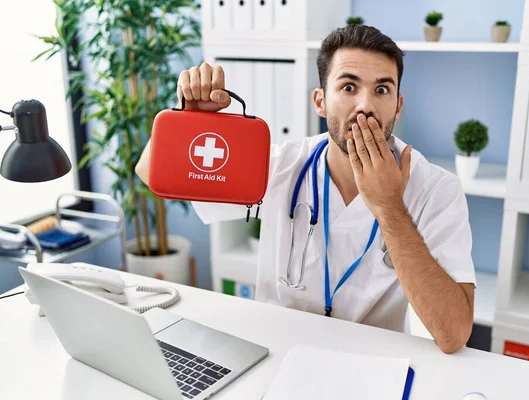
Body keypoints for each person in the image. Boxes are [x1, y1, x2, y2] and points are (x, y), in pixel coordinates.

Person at [136, 25, 476, 354]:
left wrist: (389, 207)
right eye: (348, 87)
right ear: (320, 101)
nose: (365, 106)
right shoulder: (281, 164)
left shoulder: (436, 190)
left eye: (382, 90)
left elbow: (453, 334)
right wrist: (190, 123)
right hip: (274, 351)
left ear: (398, 106)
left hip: (373, 366)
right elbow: (150, 173)